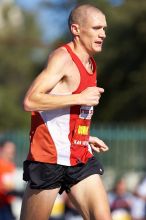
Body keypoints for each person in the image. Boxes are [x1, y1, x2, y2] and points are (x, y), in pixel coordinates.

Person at [20, 4, 112, 220]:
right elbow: (30, 100)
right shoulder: (62, 58)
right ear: (76, 29)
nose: (103, 34)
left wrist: (84, 137)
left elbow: (66, 113)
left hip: (79, 157)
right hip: (49, 158)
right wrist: (80, 97)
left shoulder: (90, 63)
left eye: (105, 29)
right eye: (97, 28)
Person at [0, 140, 16, 220]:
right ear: (2, 149)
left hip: (6, 204)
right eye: (9, 148)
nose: (12, 150)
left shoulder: (11, 166)